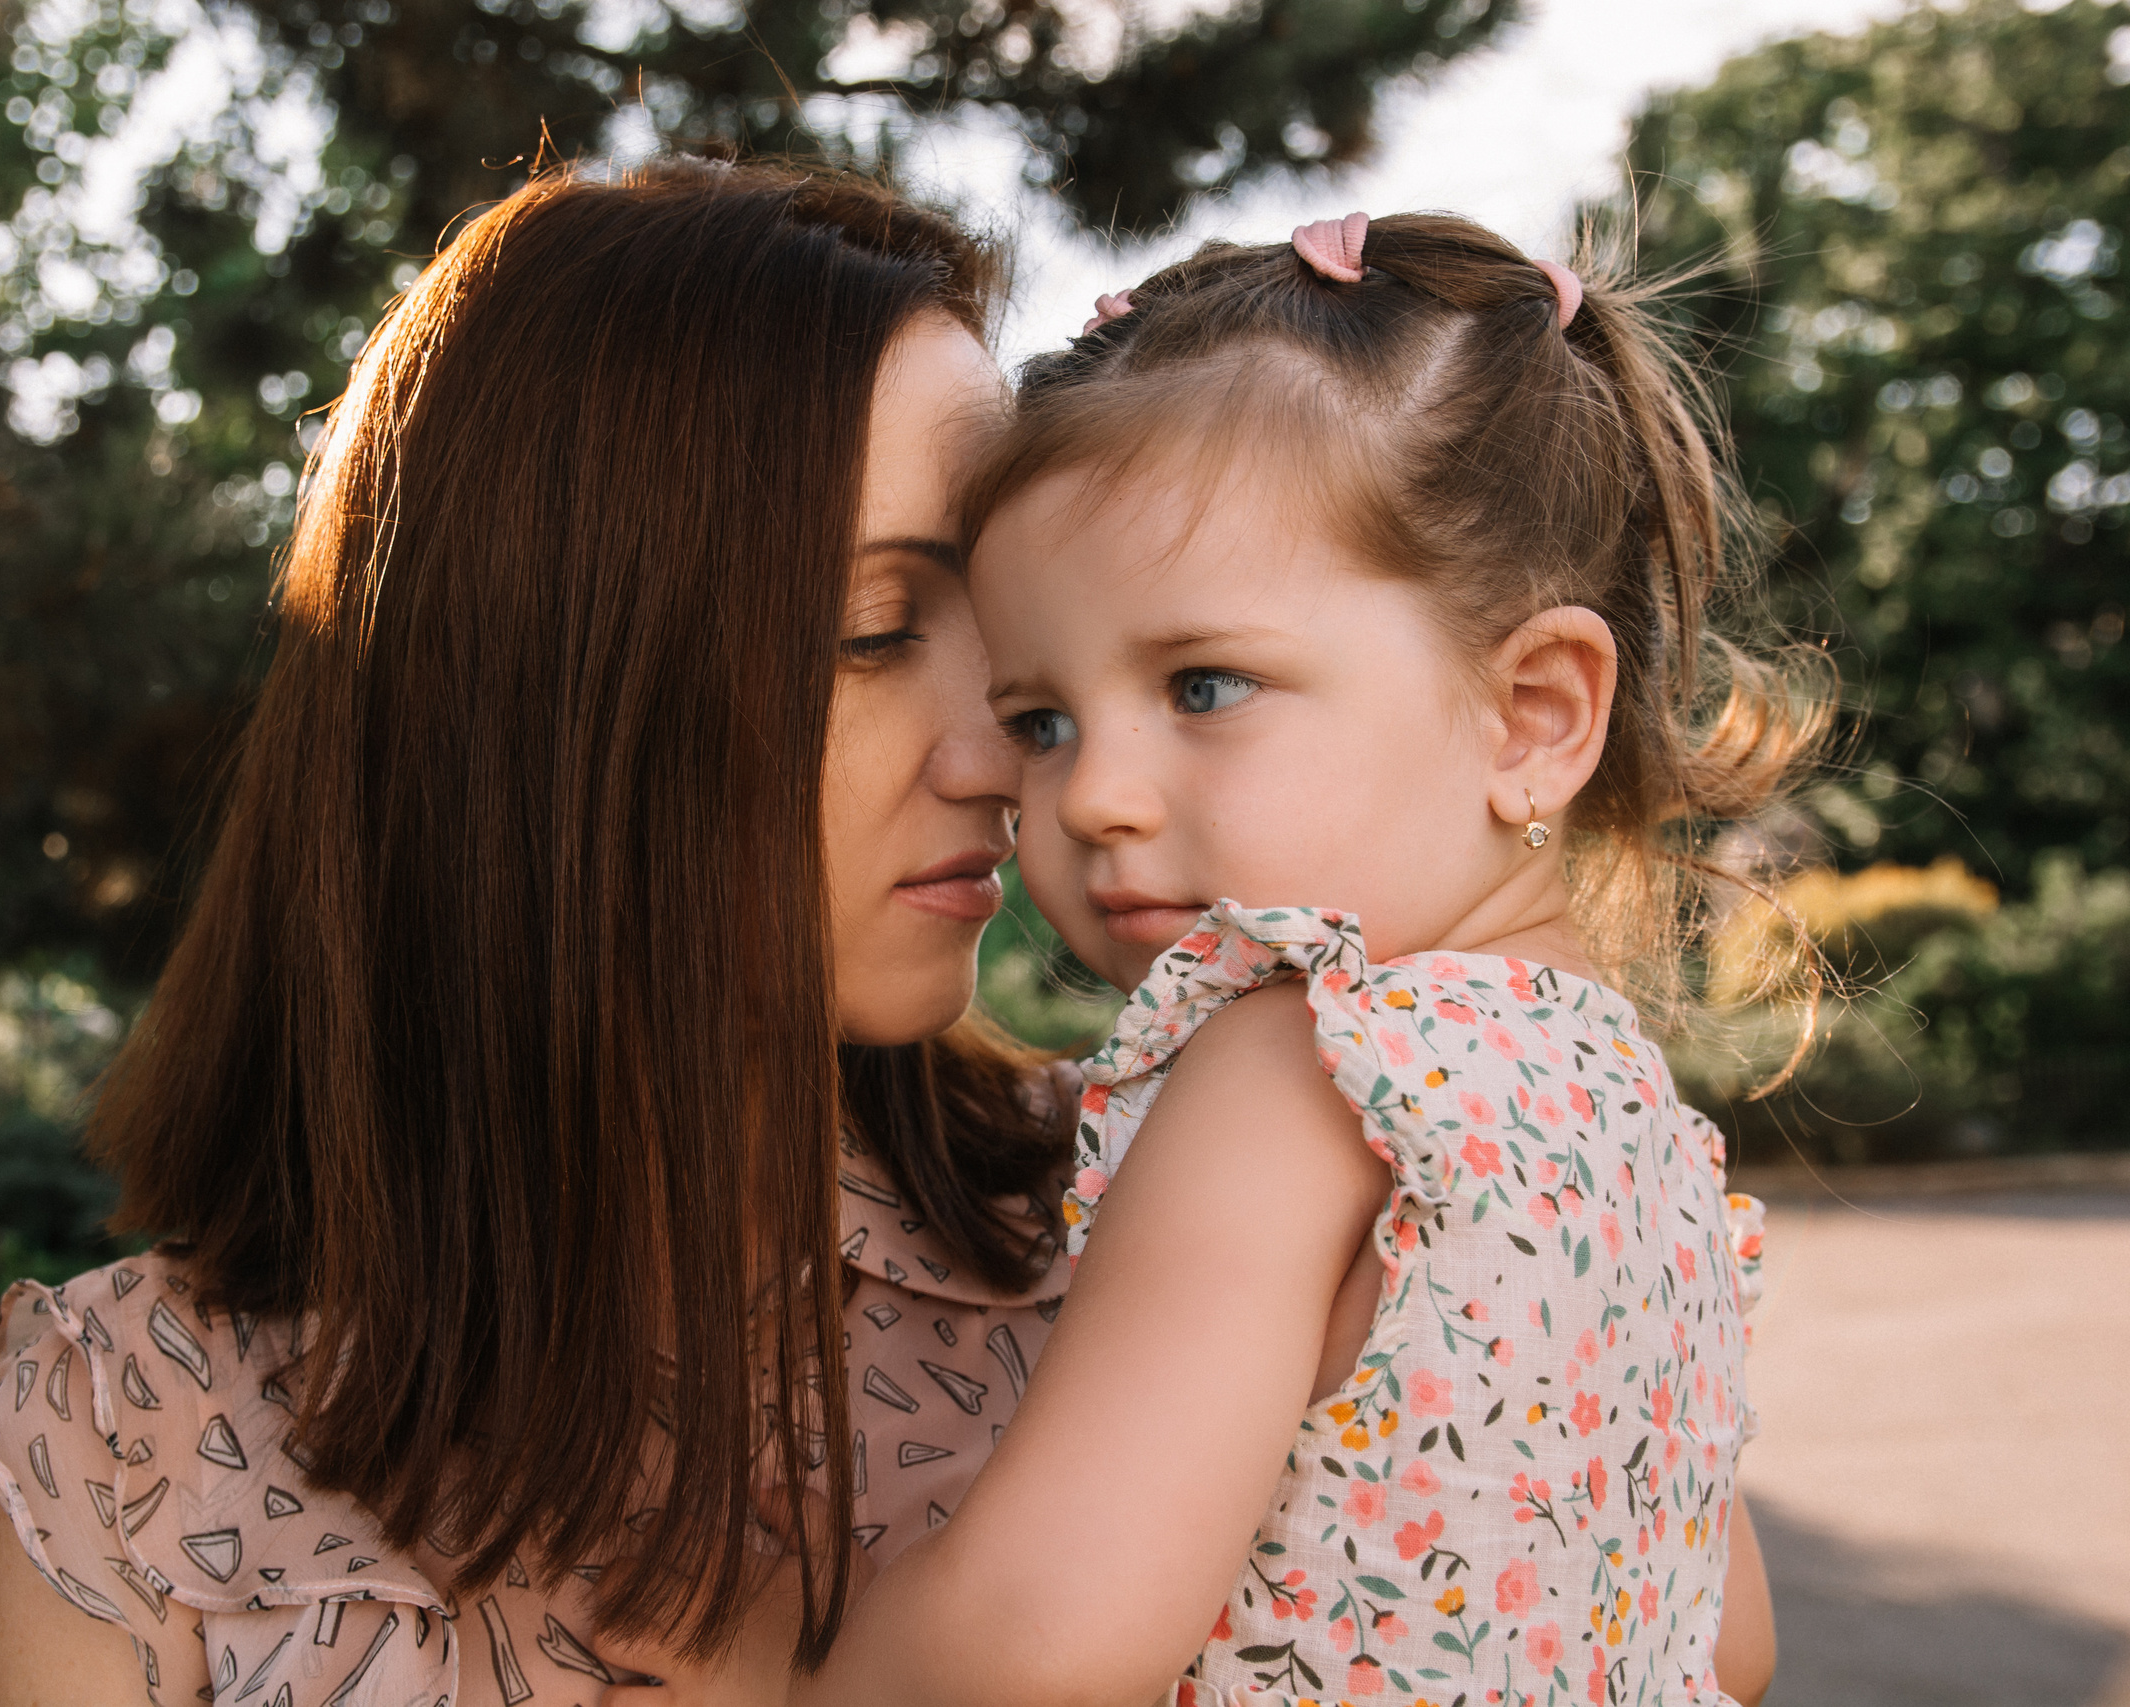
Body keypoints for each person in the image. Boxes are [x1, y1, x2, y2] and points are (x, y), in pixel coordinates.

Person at [0, 159, 1082, 1707]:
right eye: (875, 631)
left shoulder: (1165, 1247)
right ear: (548, 694)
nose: (1004, 747)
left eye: (1011, 625)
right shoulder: (129, 1444)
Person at [706, 212, 1810, 1707]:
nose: (1089, 797)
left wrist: (773, 1670)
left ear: (1535, 713)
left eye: (1206, 686)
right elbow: (1726, 1639)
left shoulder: (1305, 1065)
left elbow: (1041, 1639)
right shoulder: (1632, 1117)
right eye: (1043, 722)